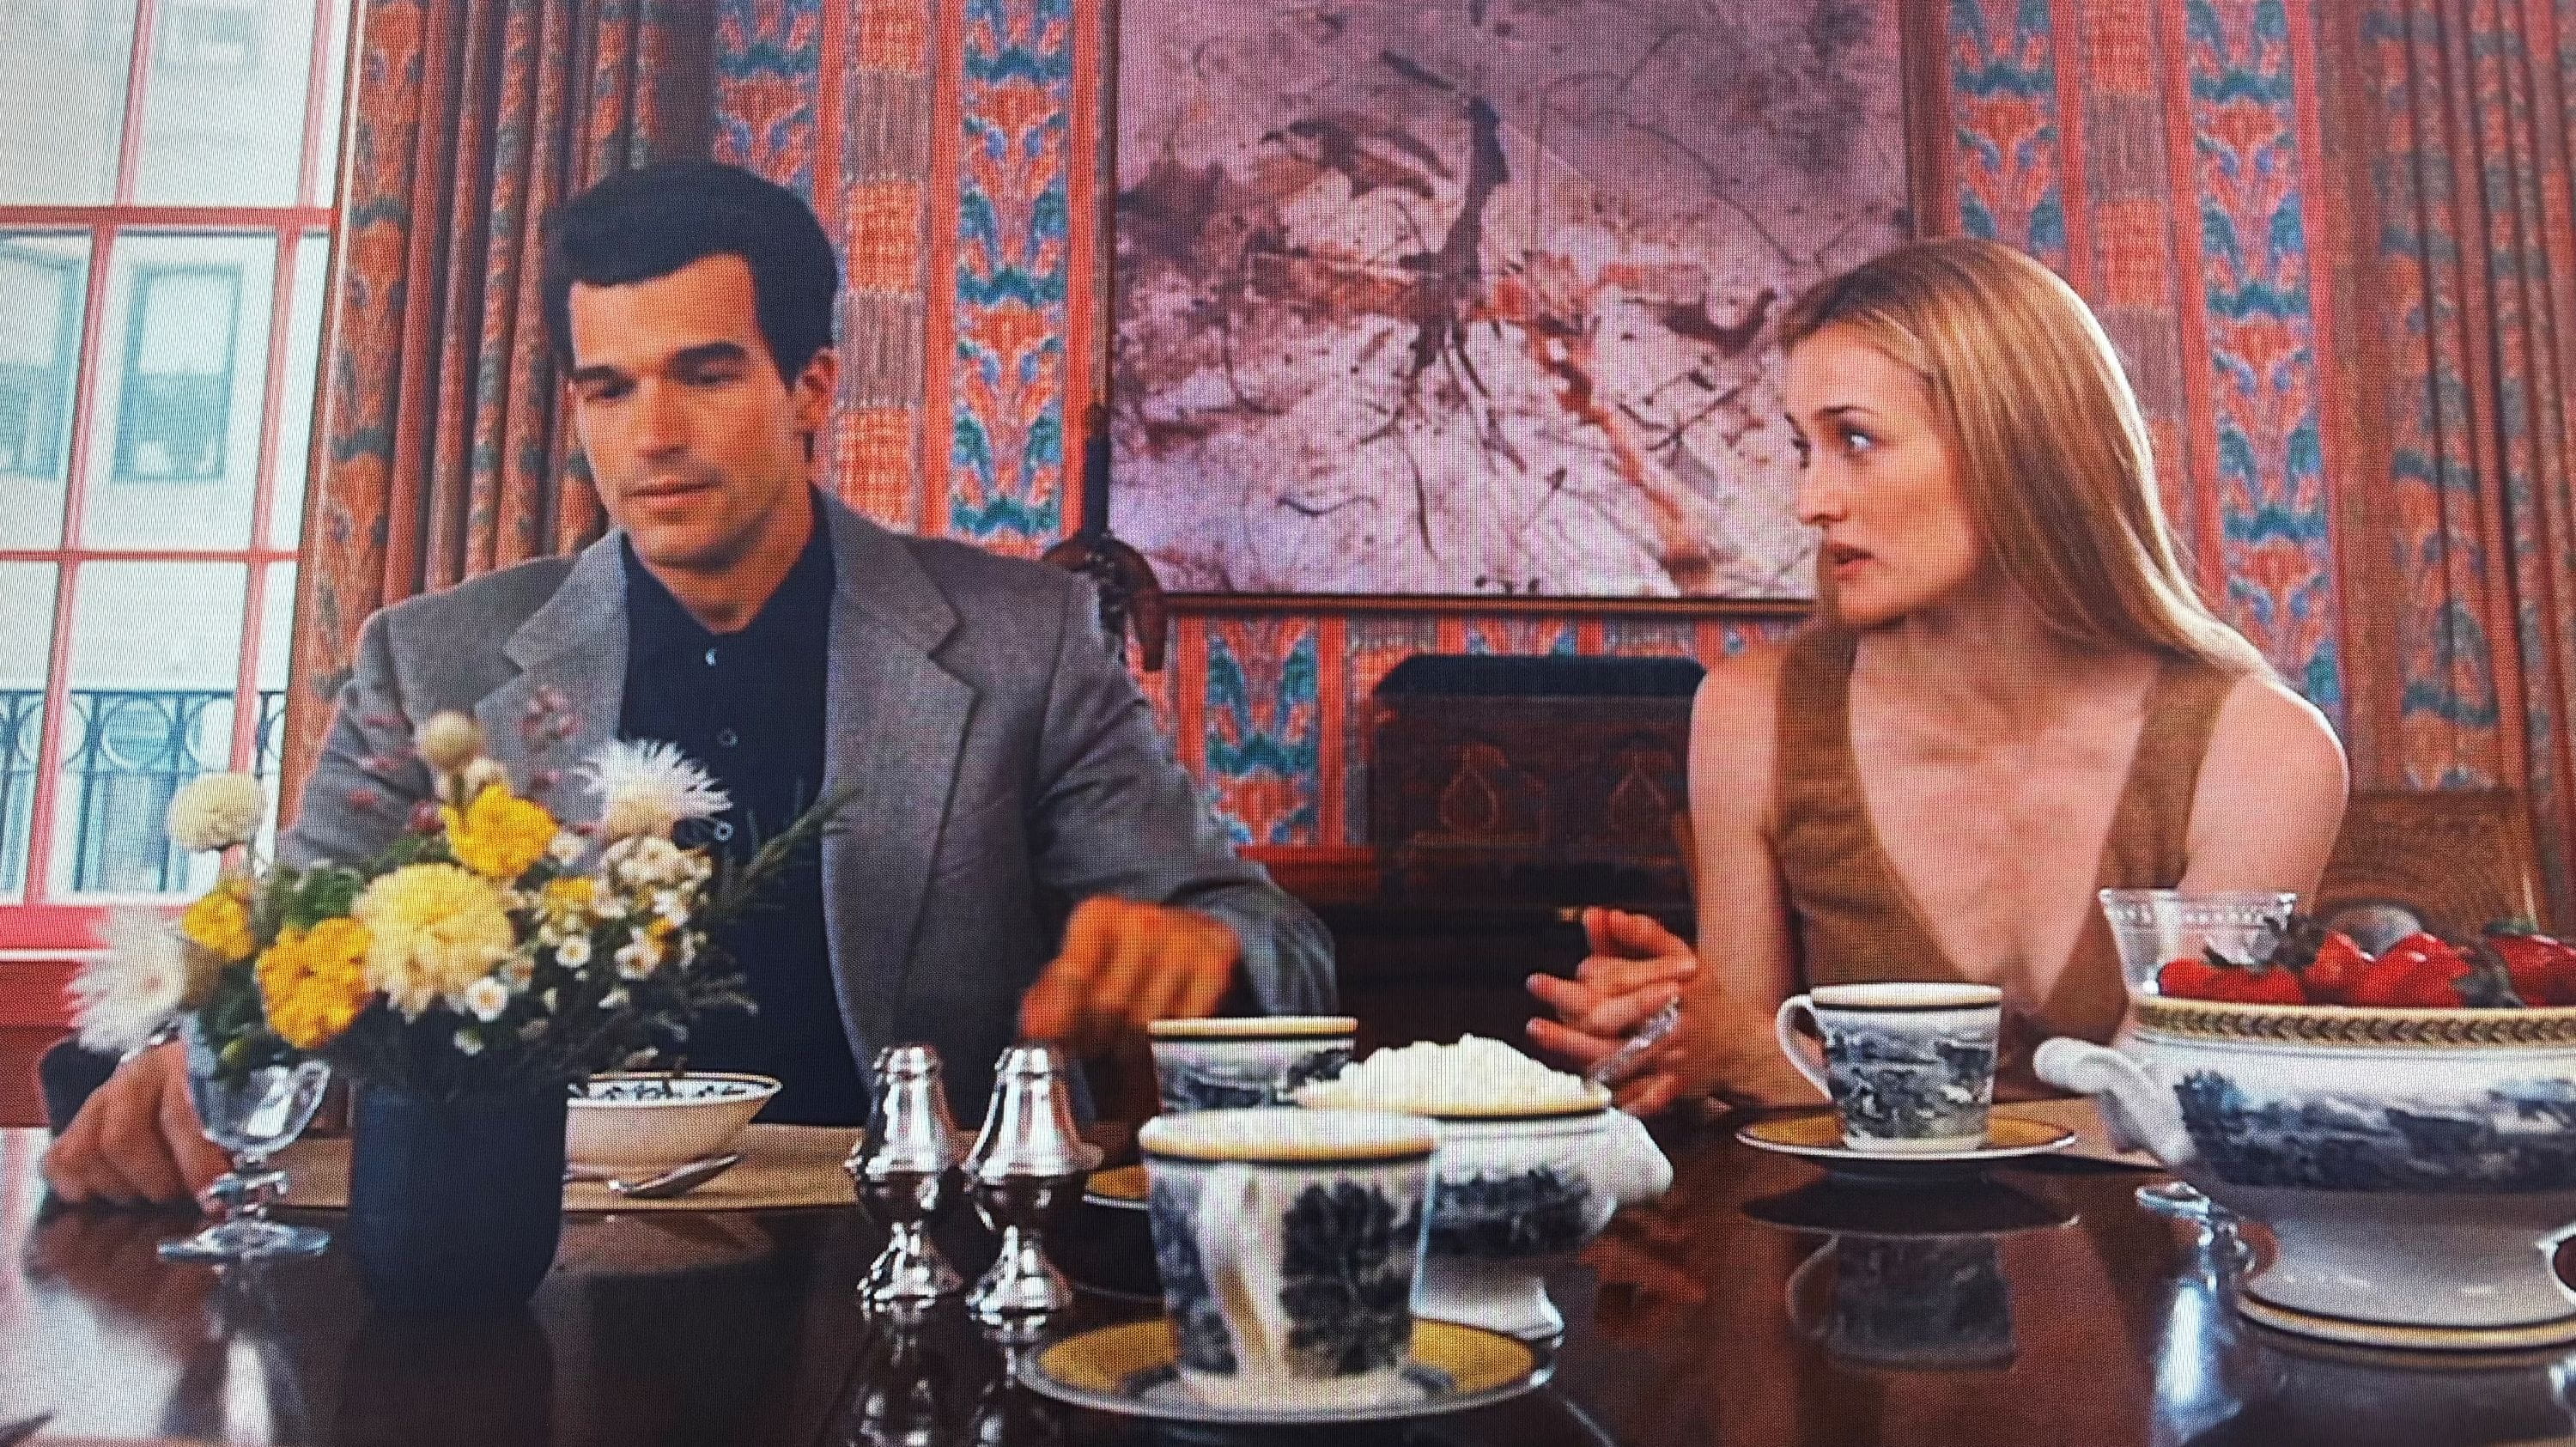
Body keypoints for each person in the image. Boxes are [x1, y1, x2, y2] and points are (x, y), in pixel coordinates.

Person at [42, 160, 1334, 1205]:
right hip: (527, 1274)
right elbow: (295, 964)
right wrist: (192, 1066)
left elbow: (1290, 952)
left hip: (908, 1269)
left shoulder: (1023, 639)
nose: (651, 436)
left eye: (705, 375)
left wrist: (1209, 951)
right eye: (610, 388)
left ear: (809, 386)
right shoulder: (429, 659)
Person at [1528, 237, 2348, 1113]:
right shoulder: (1751, 713)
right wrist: (1672, 1036)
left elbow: (2166, 1121)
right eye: (1804, 447)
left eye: (1855, 439)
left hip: (2157, 1250)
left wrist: (1788, 1067)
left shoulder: (2262, 753)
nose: (1812, 499)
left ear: (2017, 446)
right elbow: (1751, 1098)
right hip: (1855, 1250)